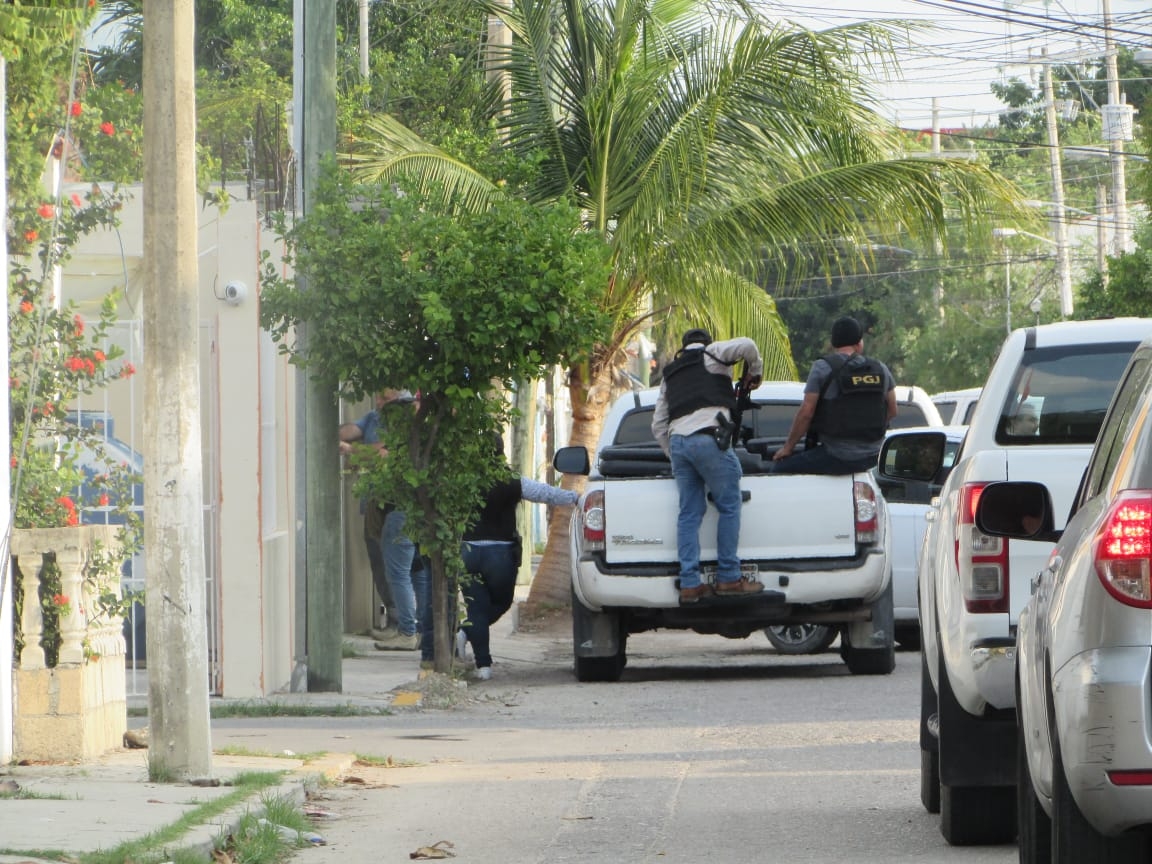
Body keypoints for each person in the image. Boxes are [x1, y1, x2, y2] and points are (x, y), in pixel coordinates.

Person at [651, 328, 763, 604]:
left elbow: (657, 425)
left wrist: (673, 453)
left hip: (678, 443)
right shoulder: (713, 353)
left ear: (683, 346)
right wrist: (754, 372)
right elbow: (748, 343)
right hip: (708, 438)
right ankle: (729, 578)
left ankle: (690, 584)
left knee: (689, 513)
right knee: (729, 505)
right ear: (705, 344)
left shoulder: (670, 373)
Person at [454, 433, 579, 679]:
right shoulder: (511, 481)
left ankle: (483, 666)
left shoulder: (463, 482)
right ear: (501, 453)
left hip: (467, 552)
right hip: (500, 555)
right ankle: (466, 634)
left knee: (476, 609)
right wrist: (575, 497)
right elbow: (545, 494)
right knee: (500, 604)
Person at [337, 388, 428, 651]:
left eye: (387, 403)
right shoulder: (413, 430)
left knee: (398, 573)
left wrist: (350, 450)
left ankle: (408, 631)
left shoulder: (406, 435)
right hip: (407, 509)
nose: (381, 407)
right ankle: (418, 629)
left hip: (399, 509)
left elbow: (384, 455)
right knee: (416, 571)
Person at [771, 316, 896, 476]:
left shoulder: (822, 368)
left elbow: (806, 413)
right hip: (874, 456)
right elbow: (893, 410)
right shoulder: (880, 368)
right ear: (859, 343)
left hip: (837, 456)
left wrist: (787, 448)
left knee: (779, 469)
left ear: (833, 343)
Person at [338, 392, 398, 638]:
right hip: (373, 502)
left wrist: (352, 450)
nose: (379, 402)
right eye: (379, 397)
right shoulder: (373, 417)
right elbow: (349, 431)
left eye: (385, 398)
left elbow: (385, 455)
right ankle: (395, 617)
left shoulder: (403, 422)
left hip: (395, 503)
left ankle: (405, 623)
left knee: (398, 565)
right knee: (377, 559)